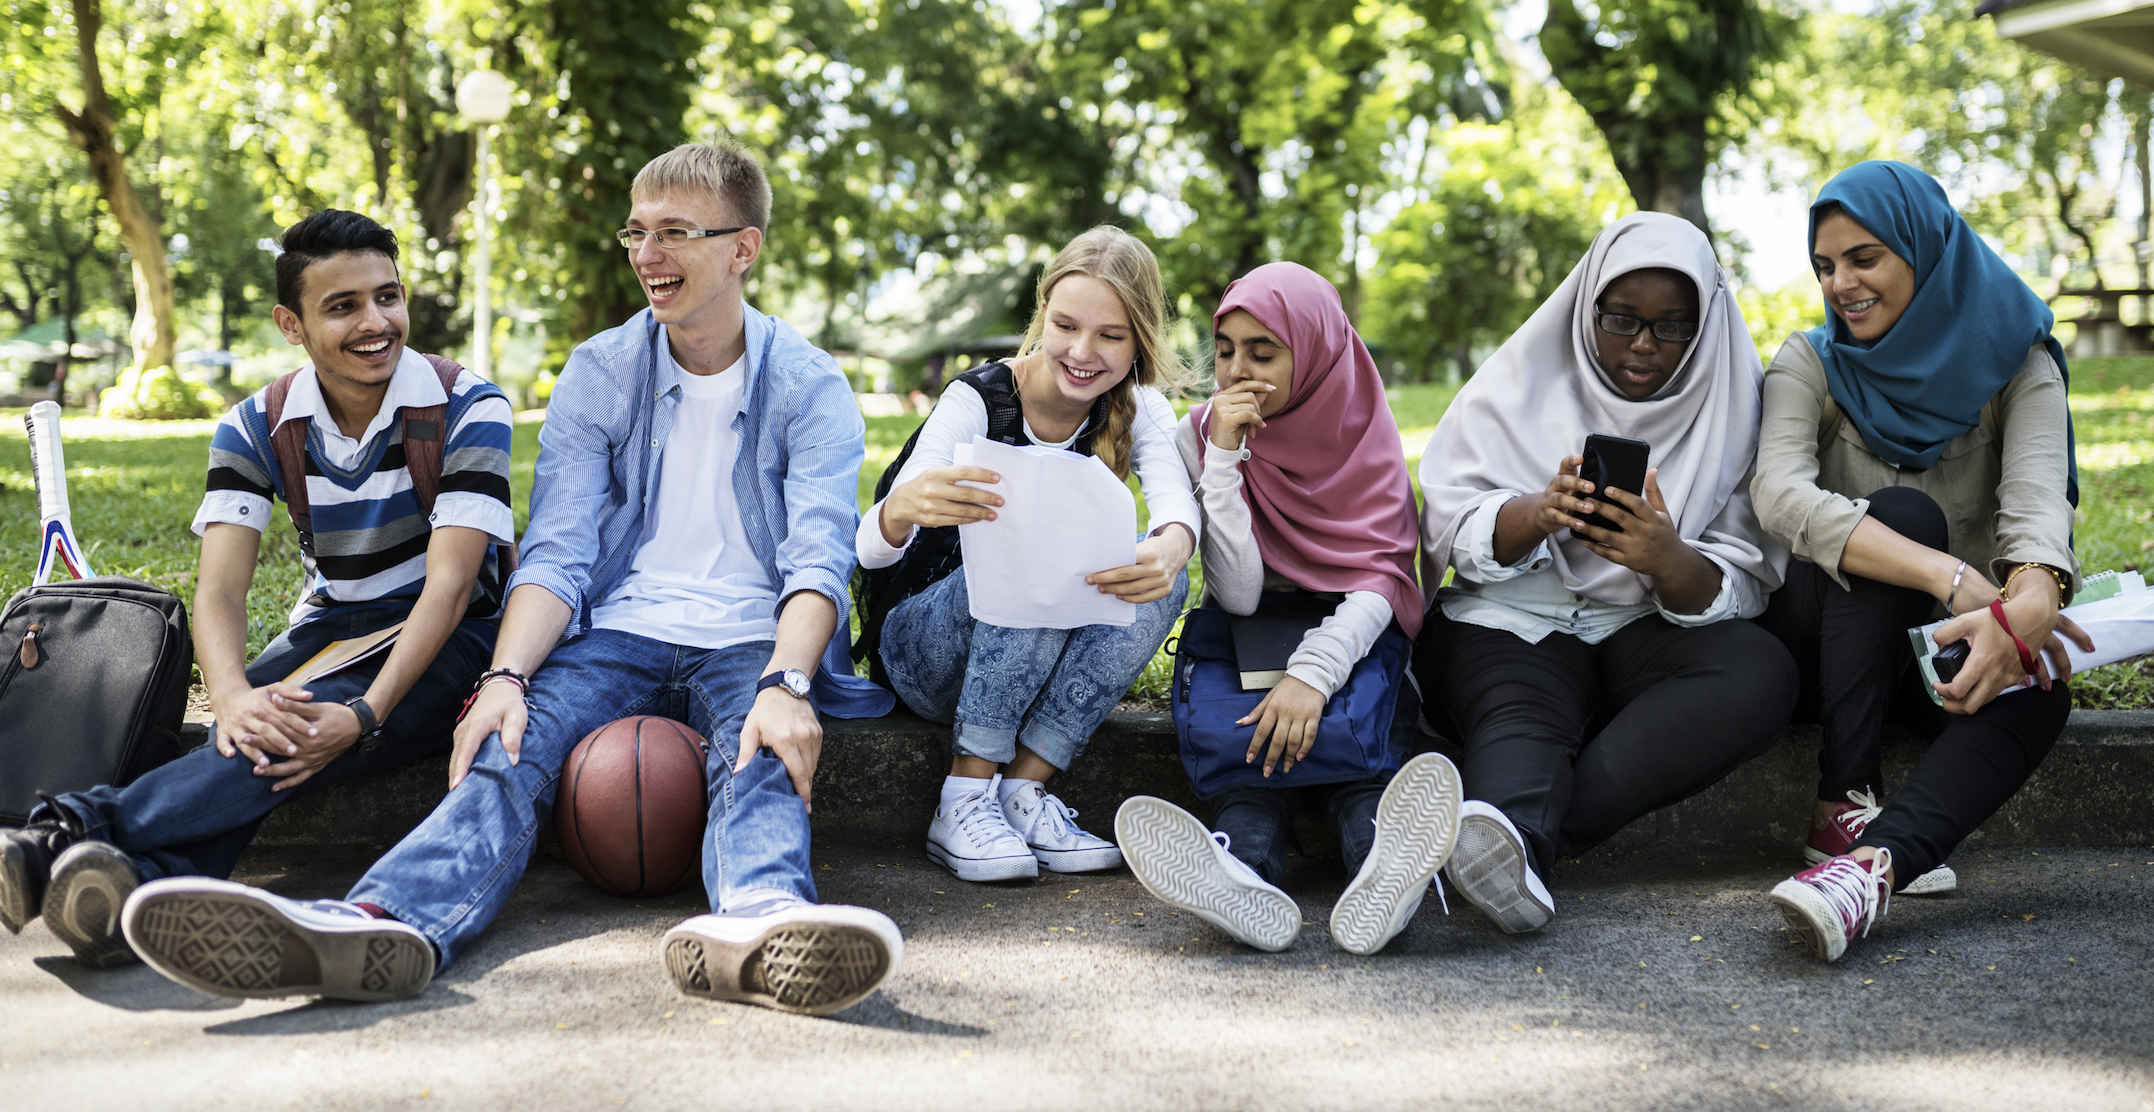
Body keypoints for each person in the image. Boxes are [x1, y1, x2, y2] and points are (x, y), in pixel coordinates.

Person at [118, 139, 905, 1016]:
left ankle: (763, 925)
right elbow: (559, 553)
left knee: (763, 751)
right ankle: (382, 920)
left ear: (742, 248)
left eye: (674, 233)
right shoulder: (602, 370)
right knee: (504, 741)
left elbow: (818, 556)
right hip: (616, 631)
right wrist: (504, 678)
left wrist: (789, 681)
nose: (647, 255)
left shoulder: (810, 384)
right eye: (636, 232)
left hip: (754, 636)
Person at [0, 210, 515, 969]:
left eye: (387, 297)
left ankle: (65, 835)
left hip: (450, 637)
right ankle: (142, 884)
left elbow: (453, 587)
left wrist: (362, 715)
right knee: (253, 726)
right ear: (290, 323)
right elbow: (221, 590)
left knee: (286, 731)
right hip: (333, 625)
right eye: (343, 306)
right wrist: (228, 694)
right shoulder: (255, 425)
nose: (376, 322)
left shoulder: (469, 405)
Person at [1415, 211, 1795, 936]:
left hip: (1645, 624)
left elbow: (1744, 578)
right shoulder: (1519, 376)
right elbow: (1446, 525)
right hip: (1511, 618)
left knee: (1760, 673)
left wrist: (1665, 557)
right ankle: (1512, 849)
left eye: (1672, 325)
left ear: (1706, 322)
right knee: (1522, 717)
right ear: (1587, 303)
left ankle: (1510, 844)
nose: (1643, 346)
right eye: (1621, 319)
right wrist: (1536, 513)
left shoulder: (1737, 406)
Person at [1752, 160, 2091, 963]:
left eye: (1864, 258)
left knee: (2042, 686)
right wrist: (1948, 575)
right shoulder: (1811, 360)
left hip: (1933, 653)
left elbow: (2039, 509)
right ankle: (1843, 798)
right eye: (1826, 265)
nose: (1841, 284)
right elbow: (1778, 495)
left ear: (1924, 249)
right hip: (1821, 644)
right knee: (1900, 518)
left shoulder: (2018, 363)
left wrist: (2031, 595)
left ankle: (1872, 868)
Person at [1112, 262, 1463, 956]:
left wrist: (1312, 675)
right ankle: (1238, 878)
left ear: (1316, 351)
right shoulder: (1204, 434)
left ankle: (1386, 879)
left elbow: (1379, 582)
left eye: (1262, 351)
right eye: (1225, 350)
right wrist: (1223, 460)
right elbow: (1238, 593)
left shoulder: (1361, 429)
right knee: (1251, 779)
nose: (1237, 372)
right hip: (1249, 639)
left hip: (1351, 637)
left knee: (1364, 763)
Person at [863, 226, 1199, 882]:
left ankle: (1021, 792)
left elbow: (1175, 511)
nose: (1081, 351)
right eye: (1067, 325)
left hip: (1036, 657)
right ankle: (963, 798)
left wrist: (1172, 546)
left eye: (1111, 335)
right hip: (926, 653)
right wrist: (904, 508)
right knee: (1041, 541)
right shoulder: (980, 397)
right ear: (1043, 312)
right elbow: (872, 550)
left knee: (1165, 576)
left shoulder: (1140, 409)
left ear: (1140, 341)